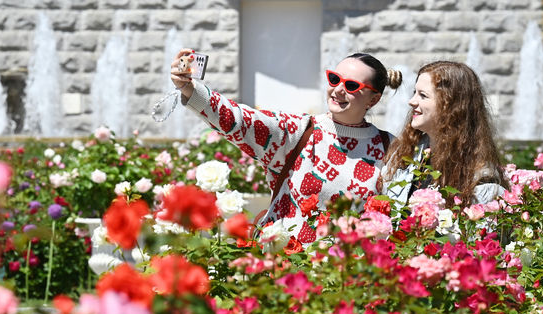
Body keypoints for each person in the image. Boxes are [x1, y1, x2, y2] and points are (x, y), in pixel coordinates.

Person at [170, 49, 402, 244]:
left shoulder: (389, 148)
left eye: (351, 85)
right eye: (334, 79)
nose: (338, 90)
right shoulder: (298, 131)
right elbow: (239, 120)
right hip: (282, 274)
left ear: (373, 99)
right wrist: (190, 89)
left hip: (346, 283)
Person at [380, 61, 508, 210]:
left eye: (423, 95)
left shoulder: (481, 182)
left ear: (451, 105)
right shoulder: (404, 155)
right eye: (414, 93)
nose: (412, 101)